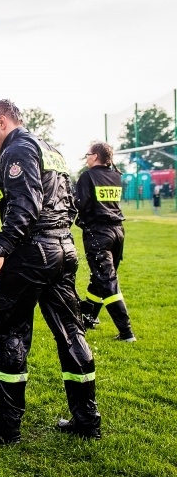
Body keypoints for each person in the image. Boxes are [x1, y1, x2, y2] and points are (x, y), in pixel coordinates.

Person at [0, 99, 101, 444]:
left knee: (10, 333)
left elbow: (26, 205)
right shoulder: (51, 150)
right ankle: (87, 421)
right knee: (71, 332)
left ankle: (6, 426)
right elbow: (69, 202)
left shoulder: (19, 148)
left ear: (2, 122)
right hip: (63, 248)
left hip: (31, 252)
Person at [75, 142, 135, 342]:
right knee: (98, 279)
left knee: (107, 282)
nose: (86, 158)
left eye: (87, 154)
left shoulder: (87, 176)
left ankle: (126, 333)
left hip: (98, 234)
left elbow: (81, 204)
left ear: (95, 156)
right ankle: (90, 318)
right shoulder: (116, 175)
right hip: (118, 232)